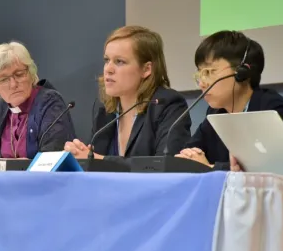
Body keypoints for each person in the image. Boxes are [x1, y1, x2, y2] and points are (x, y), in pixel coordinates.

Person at [64, 25, 191, 164]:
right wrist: (78, 156)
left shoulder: (167, 105)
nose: (108, 69)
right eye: (107, 60)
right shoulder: (104, 108)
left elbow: (166, 165)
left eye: (119, 62)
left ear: (146, 69)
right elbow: (93, 162)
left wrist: (100, 160)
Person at [176, 30, 283, 171]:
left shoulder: (273, 110)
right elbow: (189, 154)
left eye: (209, 72)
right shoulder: (216, 113)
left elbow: (272, 169)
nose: (202, 83)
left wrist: (212, 167)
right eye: (200, 73)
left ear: (242, 72)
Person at [0, 41, 76, 158]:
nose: (13, 84)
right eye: (4, 79)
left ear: (31, 74)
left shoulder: (50, 103)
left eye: (19, 74)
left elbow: (53, 156)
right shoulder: (0, 107)